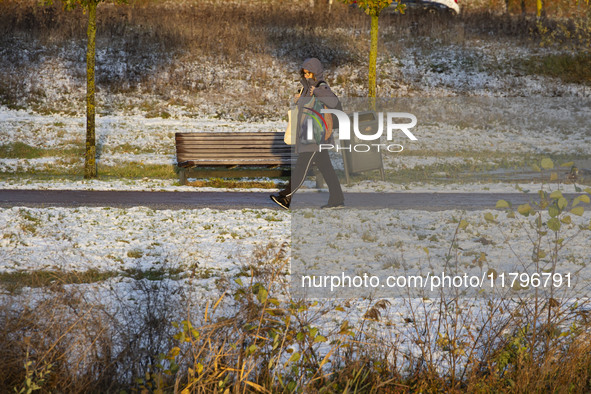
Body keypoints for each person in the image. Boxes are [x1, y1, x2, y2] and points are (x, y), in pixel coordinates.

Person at [270, 58, 344, 210]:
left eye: (309, 73)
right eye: (304, 73)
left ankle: (286, 196)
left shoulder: (320, 86)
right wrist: (299, 100)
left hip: (316, 136)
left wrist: (316, 91)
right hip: (309, 134)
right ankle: (337, 199)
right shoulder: (305, 88)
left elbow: (333, 102)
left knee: (302, 166)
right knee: (326, 169)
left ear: (316, 73)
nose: (307, 76)